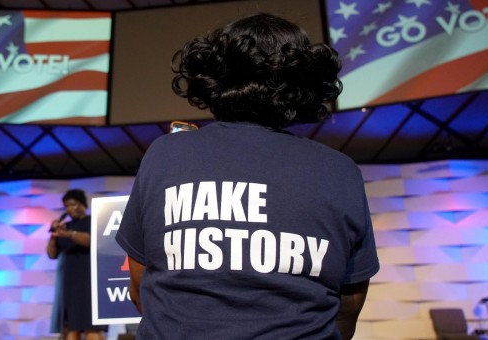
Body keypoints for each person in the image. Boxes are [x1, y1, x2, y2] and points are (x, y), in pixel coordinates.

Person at [115, 13, 380, 339]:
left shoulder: (166, 154)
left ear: (214, 77)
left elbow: (140, 287)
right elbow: (347, 309)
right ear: (303, 85)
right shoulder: (341, 171)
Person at [47, 189, 107, 340]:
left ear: (82, 204)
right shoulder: (64, 226)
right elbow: (51, 254)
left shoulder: (93, 221)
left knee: (91, 327)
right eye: (67, 206)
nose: (70, 208)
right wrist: (54, 236)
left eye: (73, 204)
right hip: (69, 284)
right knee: (70, 328)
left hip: (89, 282)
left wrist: (69, 234)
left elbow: (91, 241)